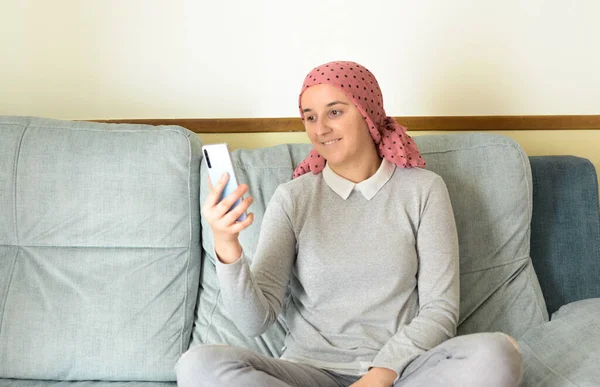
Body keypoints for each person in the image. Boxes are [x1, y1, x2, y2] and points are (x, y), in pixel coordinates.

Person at [176, 61, 523, 387]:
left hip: (400, 373)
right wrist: (227, 246)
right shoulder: (293, 198)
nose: (320, 129)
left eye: (335, 112)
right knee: (196, 365)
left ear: (369, 115)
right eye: (309, 117)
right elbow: (256, 321)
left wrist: (379, 375)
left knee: (497, 354)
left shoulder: (423, 190)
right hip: (308, 373)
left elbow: (440, 310)